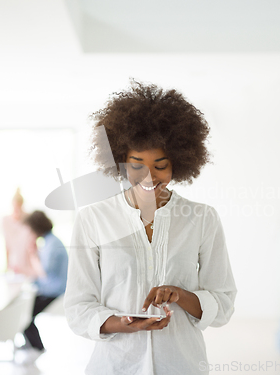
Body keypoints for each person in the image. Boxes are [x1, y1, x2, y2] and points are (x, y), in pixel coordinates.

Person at [64, 80, 237, 374]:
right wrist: (124, 323)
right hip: (116, 365)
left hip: (181, 365)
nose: (148, 176)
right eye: (136, 164)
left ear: (179, 161)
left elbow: (222, 305)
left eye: (160, 164)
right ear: (120, 161)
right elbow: (79, 306)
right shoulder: (93, 219)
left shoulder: (202, 219)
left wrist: (179, 295)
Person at [21, 210, 68, 360]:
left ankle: (36, 347)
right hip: (49, 289)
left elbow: (44, 272)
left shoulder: (52, 243)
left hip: (54, 291)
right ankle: (32, 344)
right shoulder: (49, 241)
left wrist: (33, 254)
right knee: (25, 309)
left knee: (25, 313)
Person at [2, 188, 40, 277]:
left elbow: (34, 244)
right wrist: (7, 264)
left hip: (27, 260)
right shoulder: (6, 221)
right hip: (15, 261)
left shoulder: (29, 219)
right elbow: (7, 244)